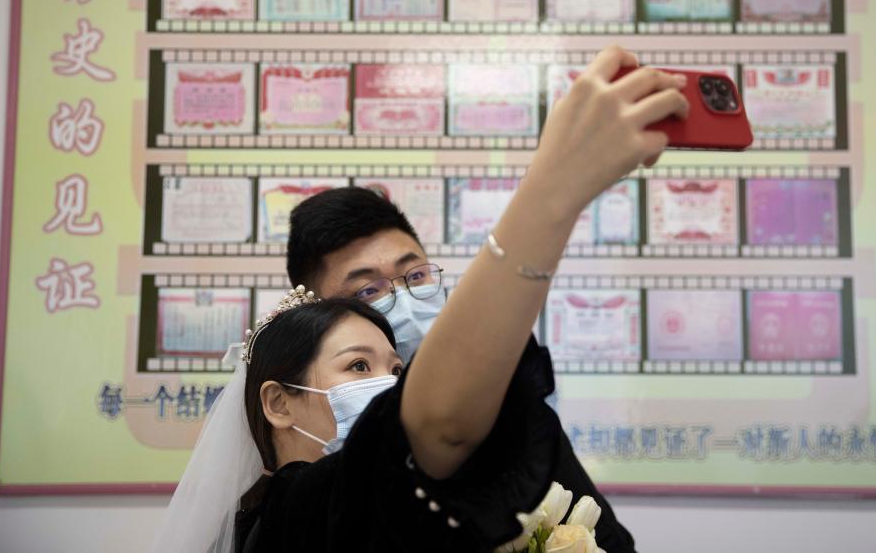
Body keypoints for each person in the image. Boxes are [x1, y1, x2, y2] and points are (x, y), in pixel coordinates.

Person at [154, 46, 689, 552]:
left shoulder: (511, 423)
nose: (403, 302)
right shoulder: (305, 499)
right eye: (367, 291)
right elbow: (427, 431)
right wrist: (557, 184)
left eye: (414, 275)